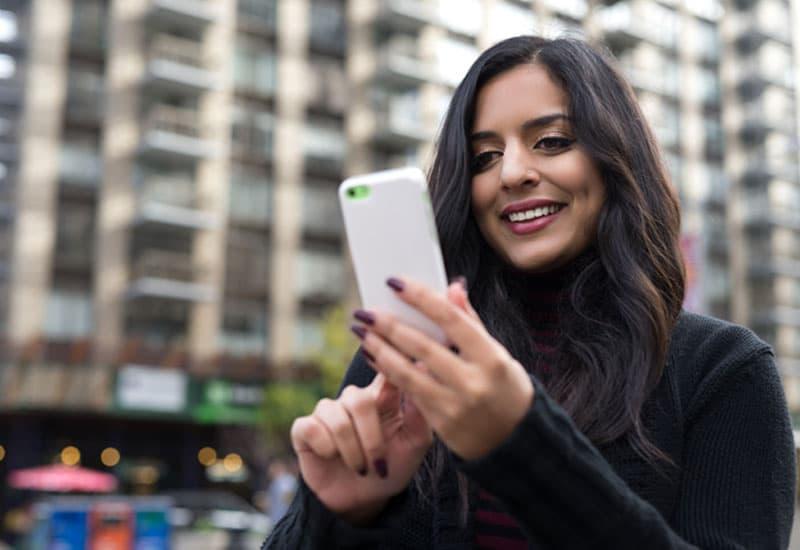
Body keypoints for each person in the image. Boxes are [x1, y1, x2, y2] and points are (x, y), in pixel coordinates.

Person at [263, 35, 796, 549]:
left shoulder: (726, 370)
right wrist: (335, 516)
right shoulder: (406, 360)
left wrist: (521, 445)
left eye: (552, 142)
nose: (512, 173)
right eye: (484, 157)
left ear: (615, 162)